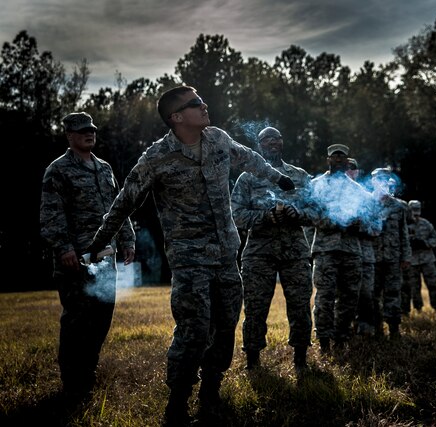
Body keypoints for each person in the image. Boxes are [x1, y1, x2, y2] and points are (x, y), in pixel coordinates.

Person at [84, 86, 296, 426]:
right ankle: (178, 400)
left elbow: (250, 158)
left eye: (201, 101)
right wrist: (99, 242)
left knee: (226, 325)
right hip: (190, 258)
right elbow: (125, 202)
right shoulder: (156, 158)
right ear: (177, 117)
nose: (204, 105)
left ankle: (212, 389)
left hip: (227, 254)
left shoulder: (218, 139)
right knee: (194, 329)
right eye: (195, 104)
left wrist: (279, 178)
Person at [39, 112, 136, 404]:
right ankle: (72, 383)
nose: (89, 134)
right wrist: (64, 248)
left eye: (91, 129)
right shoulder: (58, 170)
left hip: (106, 260)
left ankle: (88, 374)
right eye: (82, 131)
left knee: (101, 320)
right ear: (69, 135)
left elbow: (120, 208)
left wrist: (128, 239)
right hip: (76, 261)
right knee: (76, 323)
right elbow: (51, 214)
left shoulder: (105, 169)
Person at [231, 126, 313, 373]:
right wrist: (266, 217)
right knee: (255, 308)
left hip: (295, 252)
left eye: (276, 138)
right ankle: (253, 361)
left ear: (282, 143)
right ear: (259, 145)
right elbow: (236, 215)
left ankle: (300, 359)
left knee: (300, 306)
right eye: (267, 140)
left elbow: (317, 211)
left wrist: (297, 214)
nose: (272, 143)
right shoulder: (247, 178)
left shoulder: (299, 176)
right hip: (259, 252)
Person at [306, 145, 379, 352]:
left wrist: (359, 224)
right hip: (325, 250)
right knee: (324, 297)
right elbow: (310, 215)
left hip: (351, 251)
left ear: (348, 162)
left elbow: (372, 221)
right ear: (328, 160)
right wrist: (336, 223)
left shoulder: (358, 190)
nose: (338, 160)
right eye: (334, 156)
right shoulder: (316, 185)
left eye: (342, 157)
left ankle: (341, 337)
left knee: (349, 297)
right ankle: (324, 341)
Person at [369, 168, 411, 339]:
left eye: (386, 179)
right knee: (372, 295)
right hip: (372, 258)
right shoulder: (366, 203)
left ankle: (394, 329)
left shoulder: (398, 206)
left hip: (393, 258)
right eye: (379, 179)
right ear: (373, 182)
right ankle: (377, 328)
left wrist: (406, 256)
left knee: (393, 293)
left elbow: (404, 233)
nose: (383, 182)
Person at [346, 158, 377, 337]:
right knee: (340, 295)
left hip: (363, 254)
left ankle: (366, 330)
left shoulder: (366, 196)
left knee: (365, 293)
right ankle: (343, 331)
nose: (349, 171)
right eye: (346, 168)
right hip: (339, 253)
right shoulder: (331, 194)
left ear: (357, 172)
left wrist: (358, 226)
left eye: (353, 168)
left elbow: (377, 226)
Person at [406, 200, 436, 312]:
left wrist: (425, 243)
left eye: (417, 211)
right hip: (412, 261)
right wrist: (410, 244)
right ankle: (418, 309)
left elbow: (435, 238)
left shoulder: (426, 224)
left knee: (432, 285)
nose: (416, 214)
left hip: (427, 260)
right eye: (413, 211)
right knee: (414, 288)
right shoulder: (405, 225)